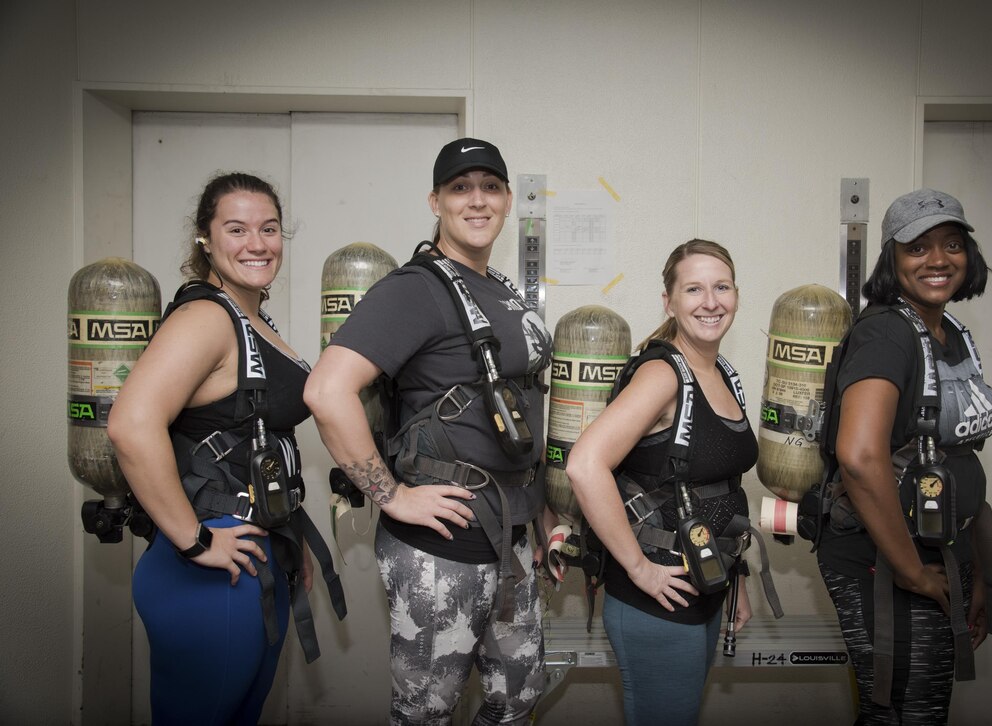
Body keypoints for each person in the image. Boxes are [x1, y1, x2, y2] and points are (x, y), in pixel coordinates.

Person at [305, 138, 555, 725]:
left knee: (517, 698)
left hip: (513, 533)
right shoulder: (416, 288)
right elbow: (326, 391)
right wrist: (391, 495)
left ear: (508, 199)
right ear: (435, 201)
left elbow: (519, 408)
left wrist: (541, 512)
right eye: (460, 188)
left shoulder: (498, 288)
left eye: (490, 187)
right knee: (426, 713)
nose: (477, 200)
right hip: (445, 543)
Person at [108, 172, 345, 725]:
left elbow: (256, 437)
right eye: (236, 229)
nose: (257, 244)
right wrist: (195, 542)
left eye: (269, 228)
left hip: (255, 558)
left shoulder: (250, 317)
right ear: (205, 238)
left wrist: (288, 536)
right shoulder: (206, 317)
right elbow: (131, 425)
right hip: (212, 575)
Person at [816, 188, 992, 724]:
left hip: (943, 549)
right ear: (891, 260)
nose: (938, 259)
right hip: (887, 561)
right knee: (901, 712)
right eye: (917, 248)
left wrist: (978, 575)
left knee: (923, 708)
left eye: (952, 244)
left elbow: (957, 460)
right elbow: (858, 456)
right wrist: (913, 572)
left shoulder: (952, 334)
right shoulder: (886, 334)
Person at [566, 239, 760, 726]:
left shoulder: (723, 373)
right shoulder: (662, 373)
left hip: (707, 585)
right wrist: (639, 569)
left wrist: (734, 580)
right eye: (693, 289)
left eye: (722, 287)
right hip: (658, 599)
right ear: (669, 302)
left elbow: (719, 490)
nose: (710, 302)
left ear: (737, 295)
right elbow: (584, 465)